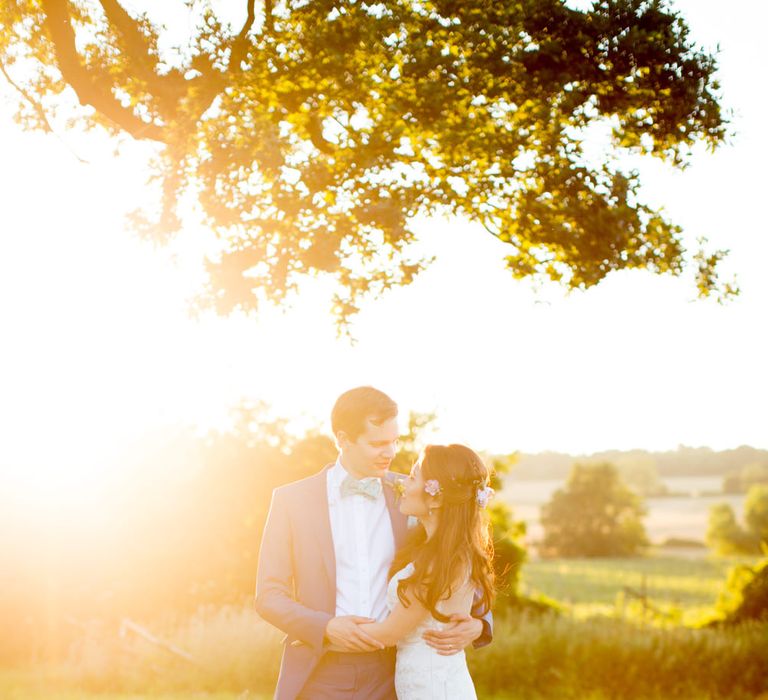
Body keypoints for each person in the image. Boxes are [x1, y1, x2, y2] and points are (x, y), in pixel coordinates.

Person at [255, 387, 492, 699]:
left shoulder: (412, 495)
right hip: (321, 669)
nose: (391, 452)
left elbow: (457, 551)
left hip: (392, 675)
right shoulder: (291, 501)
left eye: (394, 440)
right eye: (378, 443)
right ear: (343, 439)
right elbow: (269, 596)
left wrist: (478, 621)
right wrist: (325, 627)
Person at [358, 443, 495, 699]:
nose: (404, 485)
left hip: (433, 690)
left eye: (412, 477)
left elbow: (388, 633)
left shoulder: (438, 563)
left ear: (437, 497)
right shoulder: (452, 552)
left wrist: (323, 631)